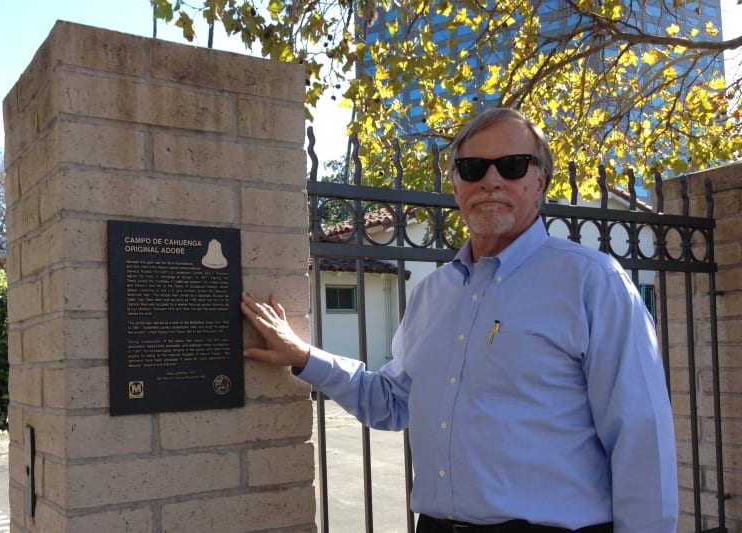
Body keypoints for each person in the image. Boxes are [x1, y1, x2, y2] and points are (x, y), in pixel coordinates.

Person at [240, 108, 677, 533]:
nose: (491, 180)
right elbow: (391, 402)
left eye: (512, 165)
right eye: (472, 168)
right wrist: (302, 356)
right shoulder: (432, 294)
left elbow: (642, 438)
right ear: (455, 185)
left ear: (539, 180)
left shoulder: (592, 282)